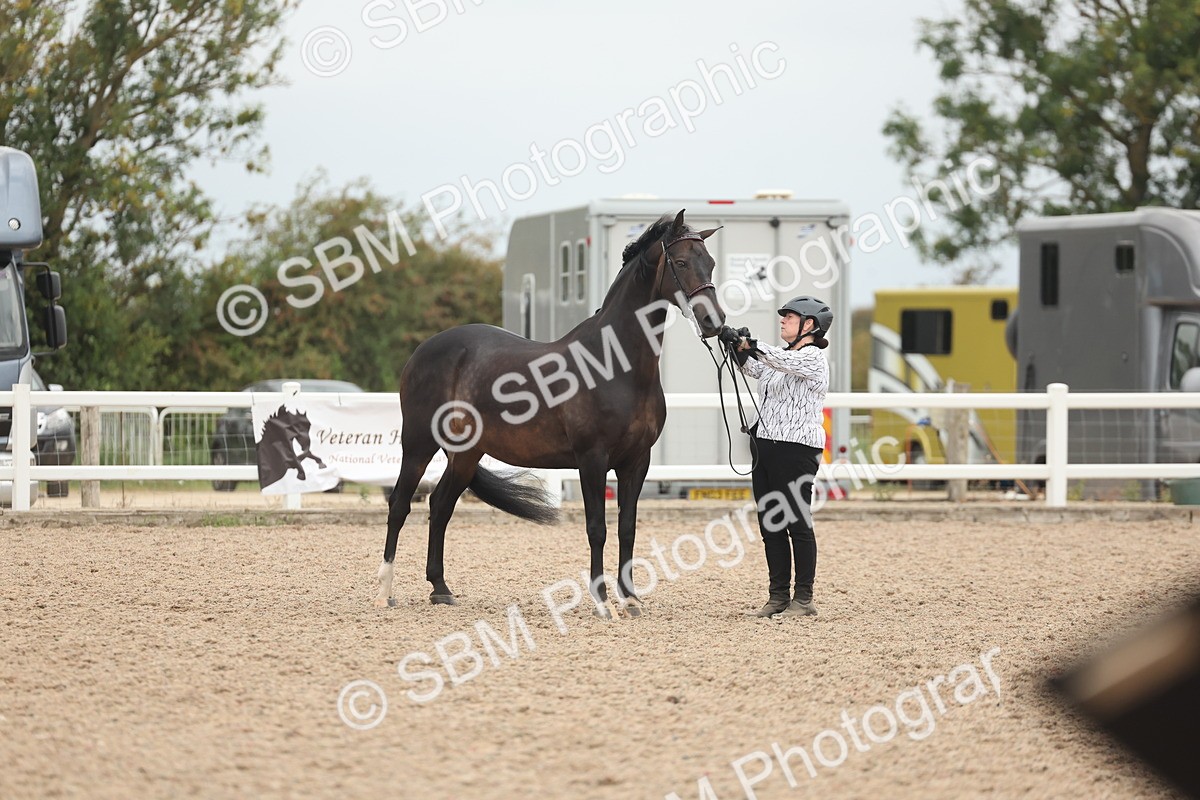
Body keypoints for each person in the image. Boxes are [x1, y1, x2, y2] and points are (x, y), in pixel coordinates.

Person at [717, 296, 832, 619]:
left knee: (796, 520)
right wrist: (737, 349)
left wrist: (747, 342)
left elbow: (778, 360)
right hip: (765, 446)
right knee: (770, 523)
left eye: (790, 317)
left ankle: (804, 597)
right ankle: (778, 595)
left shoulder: (812, 358)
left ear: (809, 326)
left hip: (796, 449)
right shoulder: (782, 358)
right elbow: (755, 368)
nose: (783, 321)